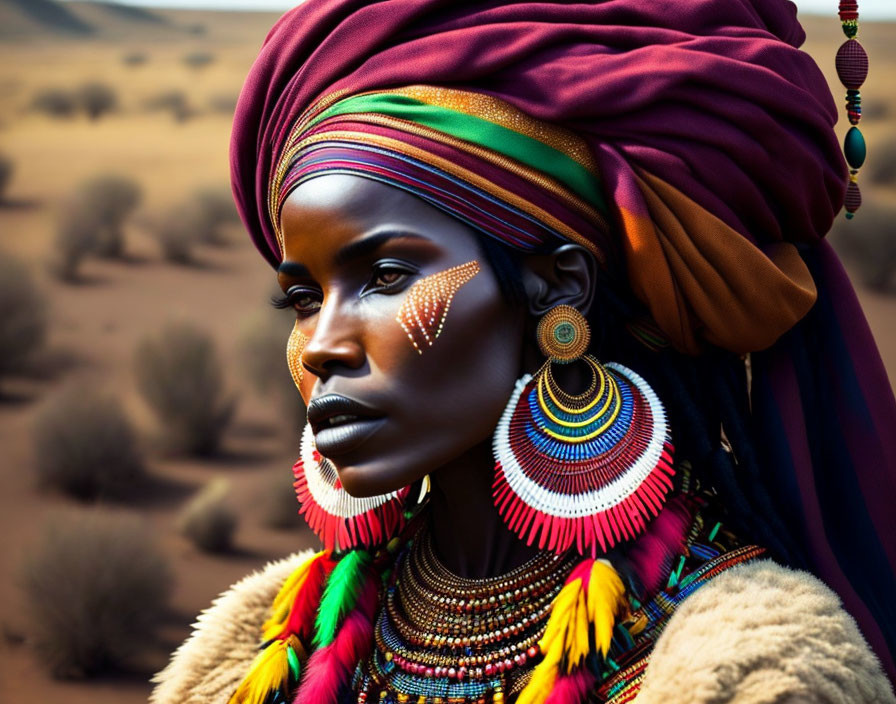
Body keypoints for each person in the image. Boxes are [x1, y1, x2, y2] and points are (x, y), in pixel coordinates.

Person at [150, 1, 896, 702]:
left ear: (554, 286)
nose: (321, 348)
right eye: (304, 300)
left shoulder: (743, 664)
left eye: (383, 277)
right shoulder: (264, 647)